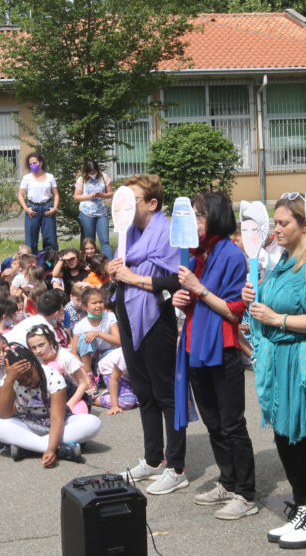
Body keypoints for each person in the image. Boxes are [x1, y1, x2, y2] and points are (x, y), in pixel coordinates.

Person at [241, 194, 306, 547]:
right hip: (279, 361)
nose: (277, 229)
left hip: (302, 362)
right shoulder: (281, 263)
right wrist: (253, 297)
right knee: (285, 437)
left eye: (284, 223)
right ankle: (303, 506)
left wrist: (276, 318)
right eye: (275, 223)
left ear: (303, 225)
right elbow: (263, 311)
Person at [170, 191, 256, 520]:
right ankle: (228, 480)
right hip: (194, 346)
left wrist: (198, 289)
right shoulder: (196, 253)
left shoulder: (231, 255)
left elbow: (235, 313)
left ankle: (246, 493)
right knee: (214, 424)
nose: (195, 221)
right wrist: (182, 297)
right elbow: (192, 300)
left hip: (222, 347)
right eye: (192, 215)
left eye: (200, 215)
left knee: (232, 423)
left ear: (217, 217)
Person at [106, 175, 187, 493]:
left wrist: (133, 277)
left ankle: (177, 466)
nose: (124, 206)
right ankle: (153, 460)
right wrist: (115, 271)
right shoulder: (128, 233)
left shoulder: (167, 231)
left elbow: (176, 280)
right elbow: (123, 273)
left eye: (133, 199)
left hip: (156, 317)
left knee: (166, 394)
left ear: (152, 203)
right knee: (144, 391)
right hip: (127, 313)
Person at [0, 344, 98, 466]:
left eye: (29, 375)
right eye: (21, 380)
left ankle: (26, 448)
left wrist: (51, 450)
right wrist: (10, 380)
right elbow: (3, 414)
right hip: (28, 425)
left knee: (93, 423)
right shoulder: (10, 380)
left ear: (35, 363)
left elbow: (57, 418)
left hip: (58, 424)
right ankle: (60, 449)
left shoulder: (53, 375)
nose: (27, 381)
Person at [18, 151, 59, 253]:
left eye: (35, 163)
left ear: (41, 163)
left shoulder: (50, 177)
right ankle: (31, 265)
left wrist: (54, 208)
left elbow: (56, 194)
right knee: (30, 240)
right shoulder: (26, 178)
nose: (33, 165)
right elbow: (20, 195)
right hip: (32, 208)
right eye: (31, 164)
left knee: (50, 239)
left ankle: (50, 265)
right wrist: (26, 209)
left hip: (47, 208)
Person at [73, 160, 114, 258]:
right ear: (86, 172)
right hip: (86, 213)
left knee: (105, 241)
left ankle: (109, 264)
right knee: (90, 241)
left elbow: (110, 193)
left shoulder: (104, 177)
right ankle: (90, 263)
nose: (93, 174)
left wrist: (103, 194)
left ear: (98, 170)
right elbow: (76, 197)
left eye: (95, 172)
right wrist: (89, 196)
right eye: (91, 173)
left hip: (102, 213)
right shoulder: (81, 180)